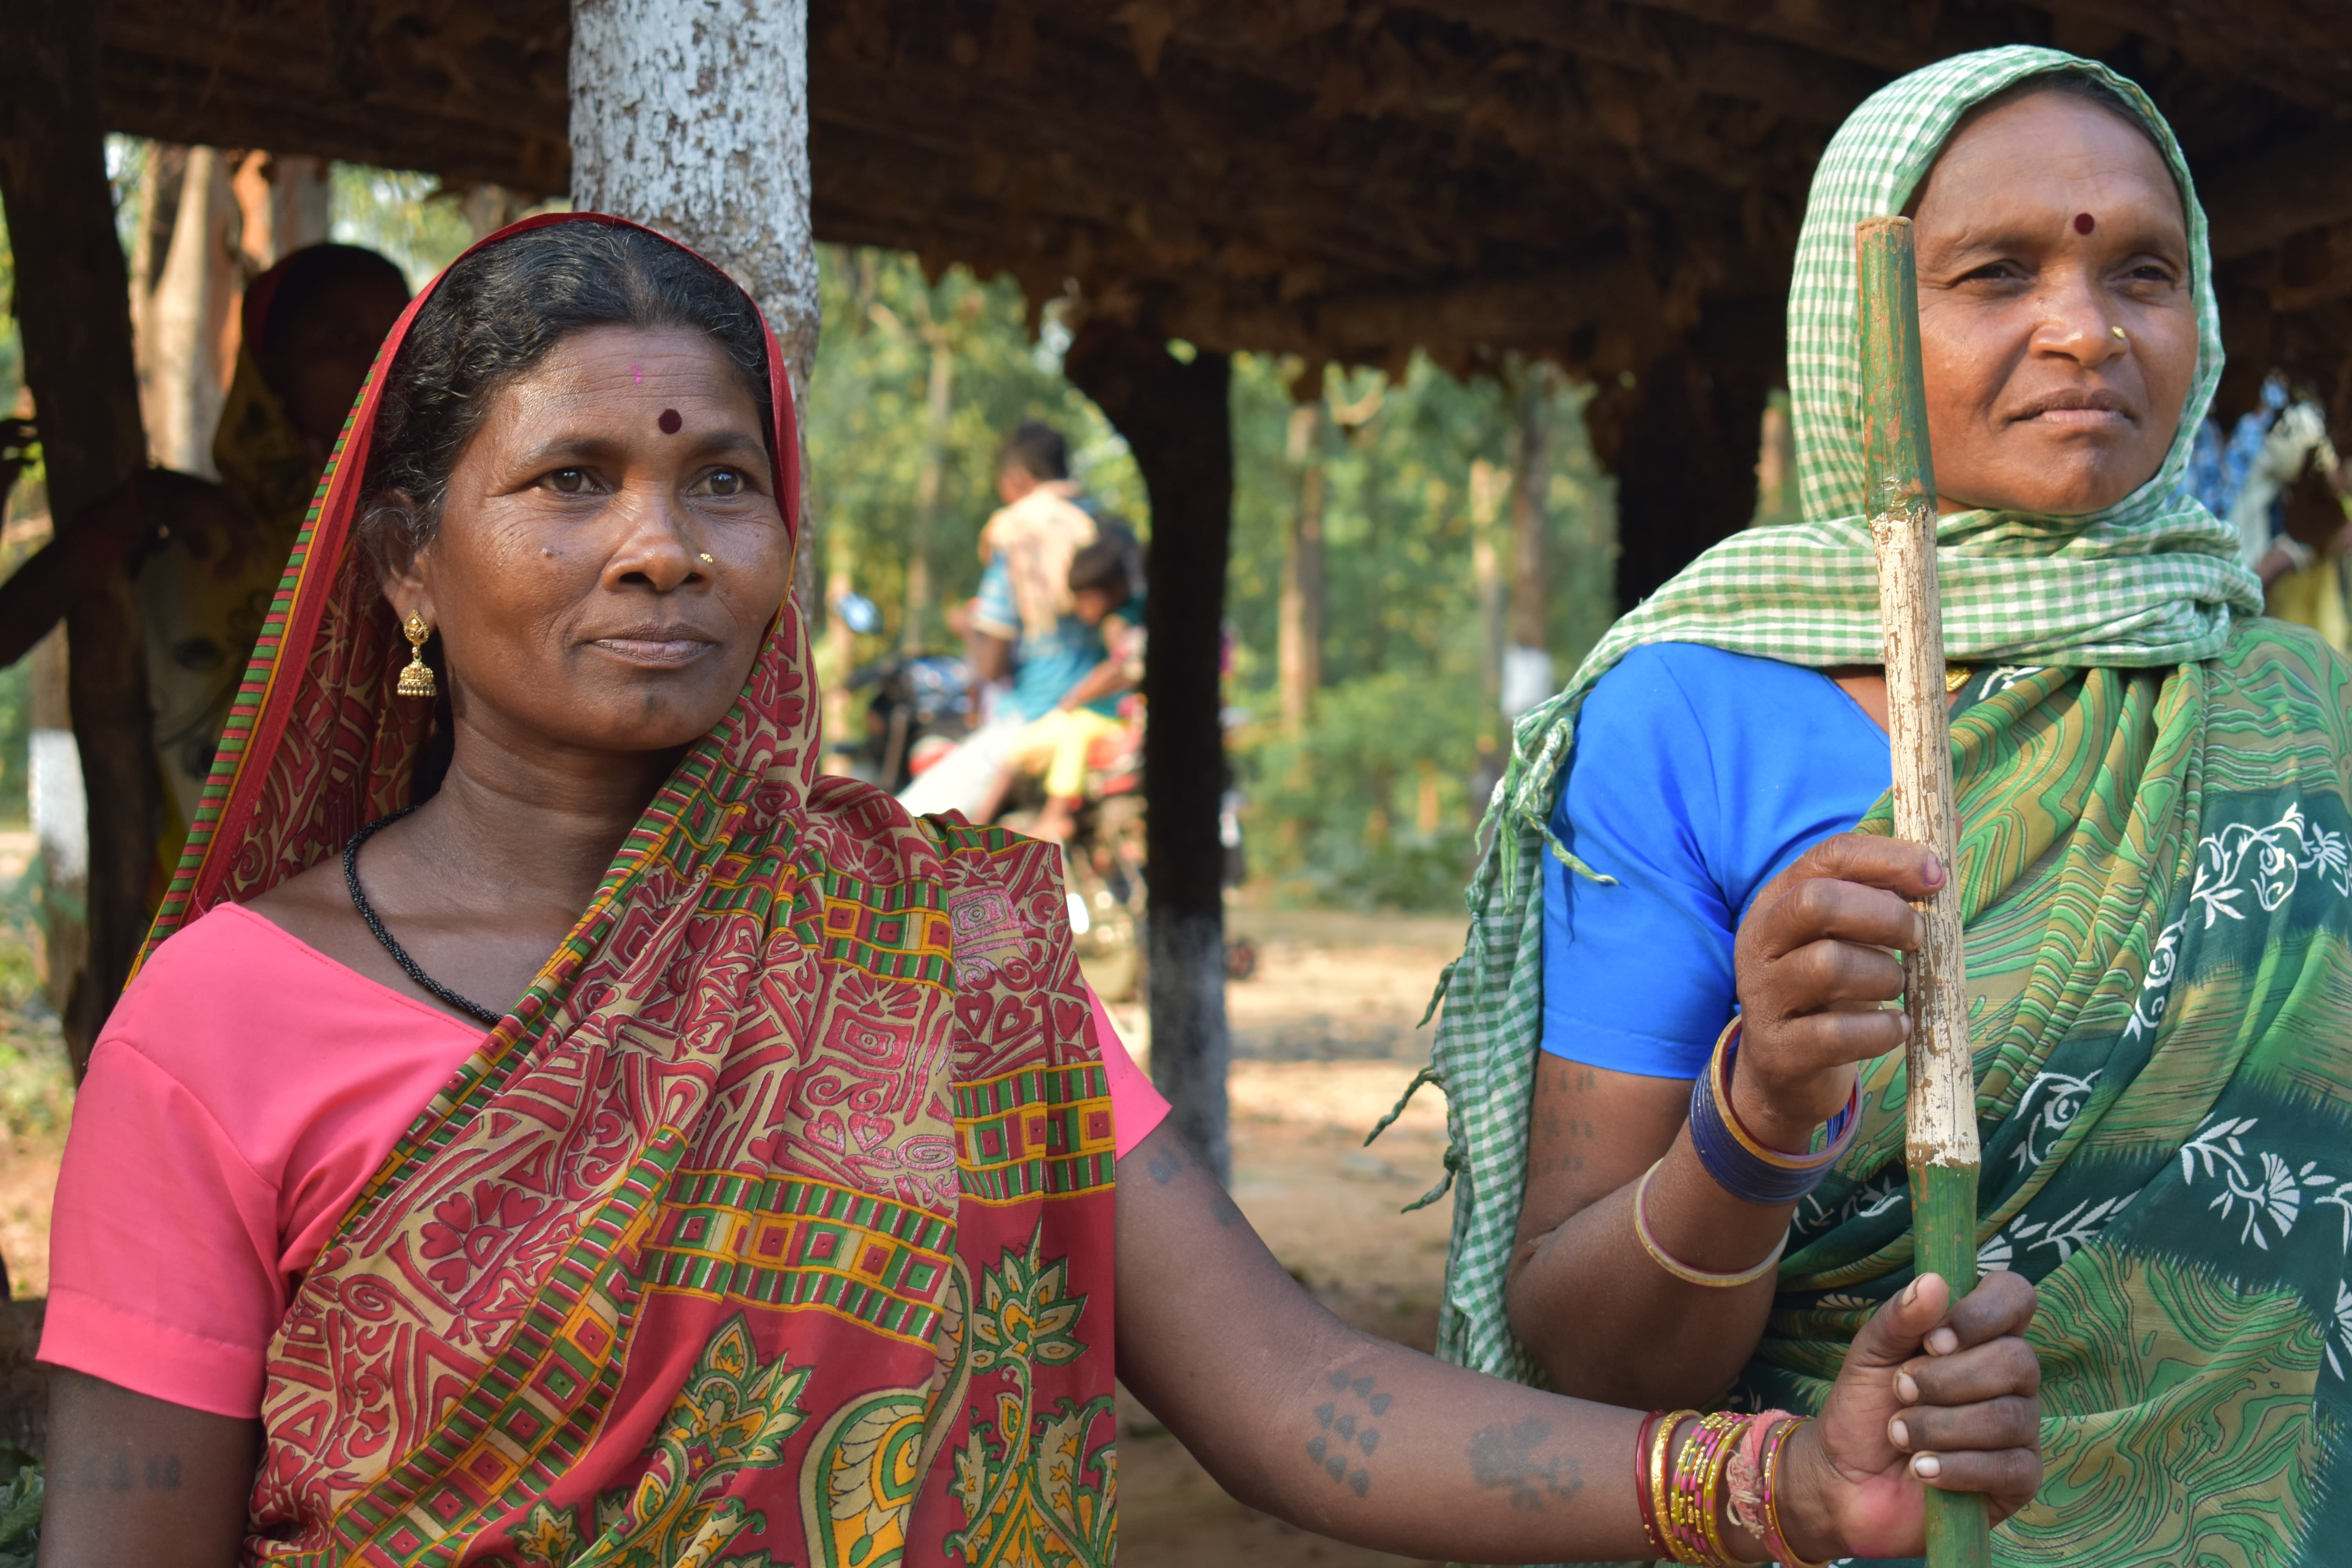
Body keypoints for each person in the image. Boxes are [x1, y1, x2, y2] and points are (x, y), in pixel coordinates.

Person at [33, 214, 2041, 1568]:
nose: (664, 545)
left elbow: (1292, 1394)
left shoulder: (941, 953)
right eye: (571, 481)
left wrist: (1773, 1474)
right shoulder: (221, 1021)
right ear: (402, 561)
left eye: (720, 480)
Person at [1411, 46, 2352, 1567]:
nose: (2085, 328)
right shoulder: (1691, 713)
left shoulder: (2291, 706)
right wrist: (1757, 1115)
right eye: (1996, 272)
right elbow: (1598, 1354)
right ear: (1854, 335)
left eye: (2145, 272)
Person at [0, 244, 413, 873]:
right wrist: (136, 504)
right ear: (270, 371)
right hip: (220, 908)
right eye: (340, 337)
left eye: (399, 333)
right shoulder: (207, 537)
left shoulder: (446, 516)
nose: (379, 361)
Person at [897, 422, 1114, 820]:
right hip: (1113, 711)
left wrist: (967, 628)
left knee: (905, 823)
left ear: (1018, 479)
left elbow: (993, 666)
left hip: (1037, 711)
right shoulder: (1111, 528)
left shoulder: (1020, 531)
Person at [996, 537, 1143, 841]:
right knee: (1019, 750)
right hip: (1091, 717)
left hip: (1109, 718)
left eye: (1086, 599)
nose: (1080, 609)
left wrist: (1077, 697)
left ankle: (1055, 817)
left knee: (1070, 735)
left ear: (1113, 591)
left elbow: (1123, 665)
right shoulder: (1131, 614)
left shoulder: (1119, 623)